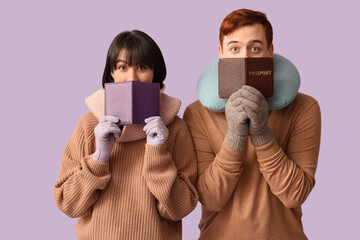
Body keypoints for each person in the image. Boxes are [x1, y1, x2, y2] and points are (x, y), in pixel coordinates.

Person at [183, 9, 321, 239]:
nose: (244, 58)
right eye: (234, 48)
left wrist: (262, 133)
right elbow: (211, 198)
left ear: (271, 52)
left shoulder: (304, 107)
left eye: (255, 48)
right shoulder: (196, 113)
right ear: (221, 54)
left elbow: (295, 194)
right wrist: (235, 136)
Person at [54, 30, 198, 240]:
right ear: (111, 73)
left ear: (154, 73)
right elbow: (69, 204)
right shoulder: (88, 126)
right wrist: (99, 157)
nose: (131, 77)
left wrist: (157, 153)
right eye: (122, 67)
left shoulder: (175, 129)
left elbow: (180, 209)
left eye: (142, 67)